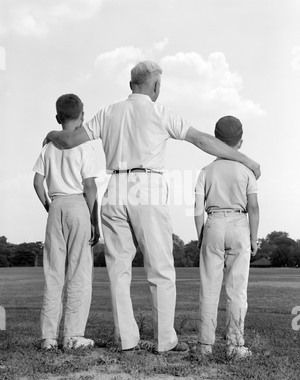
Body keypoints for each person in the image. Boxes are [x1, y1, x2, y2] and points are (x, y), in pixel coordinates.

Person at [44, 61, 261, 354]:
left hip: (116, 187)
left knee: (119, 270)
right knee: (160, 268)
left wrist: (52, 135)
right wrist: (246, 160)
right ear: (155, 85)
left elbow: (69, 139)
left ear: (131, 83)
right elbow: (201, 140)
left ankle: (127, 340)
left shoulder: (108, 112)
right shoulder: (161, 113)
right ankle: (164, 340)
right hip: (147, 188)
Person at [33, 94, 100, 351]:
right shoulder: (85, 146)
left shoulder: (48, 147)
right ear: (82, 116)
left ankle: (48, 338)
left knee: (53, 274)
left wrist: (48, 205)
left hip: (56, 205)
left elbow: (38, 183)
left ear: (57, 118)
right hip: (79, 206)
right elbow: (90, 186)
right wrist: (94, 220)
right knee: (79, 273)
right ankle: (72, 335)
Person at [194, 116, 260, 359]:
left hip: (213, 223)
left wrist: (200, 235)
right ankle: (234, 345)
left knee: (209, 288)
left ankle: (205, 346)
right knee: (236, 289)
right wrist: (254, 238)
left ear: (215, 139)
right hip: (239, 224)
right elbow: (253, 207)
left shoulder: (206, 171)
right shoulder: (246, 170)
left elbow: (197, 208)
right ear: (240, 142)